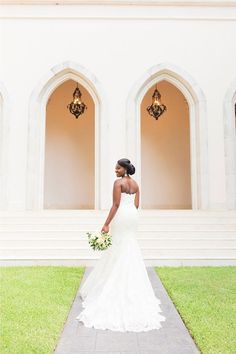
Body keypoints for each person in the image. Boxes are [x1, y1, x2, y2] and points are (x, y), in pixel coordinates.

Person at [76, 158, 165, 332]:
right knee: (129, 244)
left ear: (124, 169)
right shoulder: (136, 185)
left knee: (118, 245)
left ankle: (113, 282)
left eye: (117, 168)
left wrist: (106, 223)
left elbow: (115, 204)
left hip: (122, 214)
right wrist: (129, 210)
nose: (115, 170)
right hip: (132, 216)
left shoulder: (118, 183)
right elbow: (137, 204)